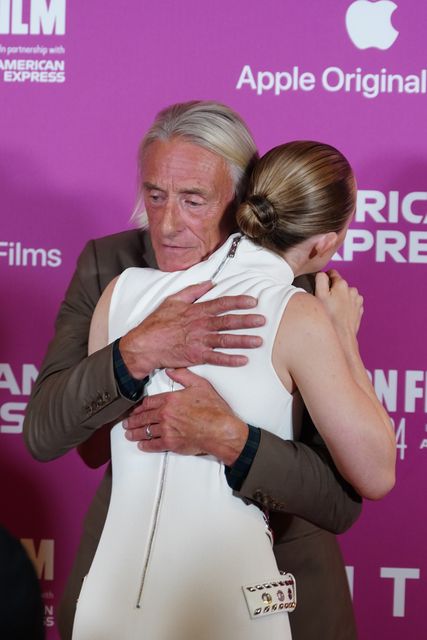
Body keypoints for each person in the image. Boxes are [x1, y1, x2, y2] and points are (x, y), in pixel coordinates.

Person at [24, 102, 363, 640]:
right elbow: (48, 434)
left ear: (242, 201)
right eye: (154, 196)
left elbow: (340, 497)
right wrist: (135, 352)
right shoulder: (111, 268)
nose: (166, 223)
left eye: (193, 200)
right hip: (127, 584)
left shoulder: (300, 290)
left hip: (281, 585)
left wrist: (232, 439)